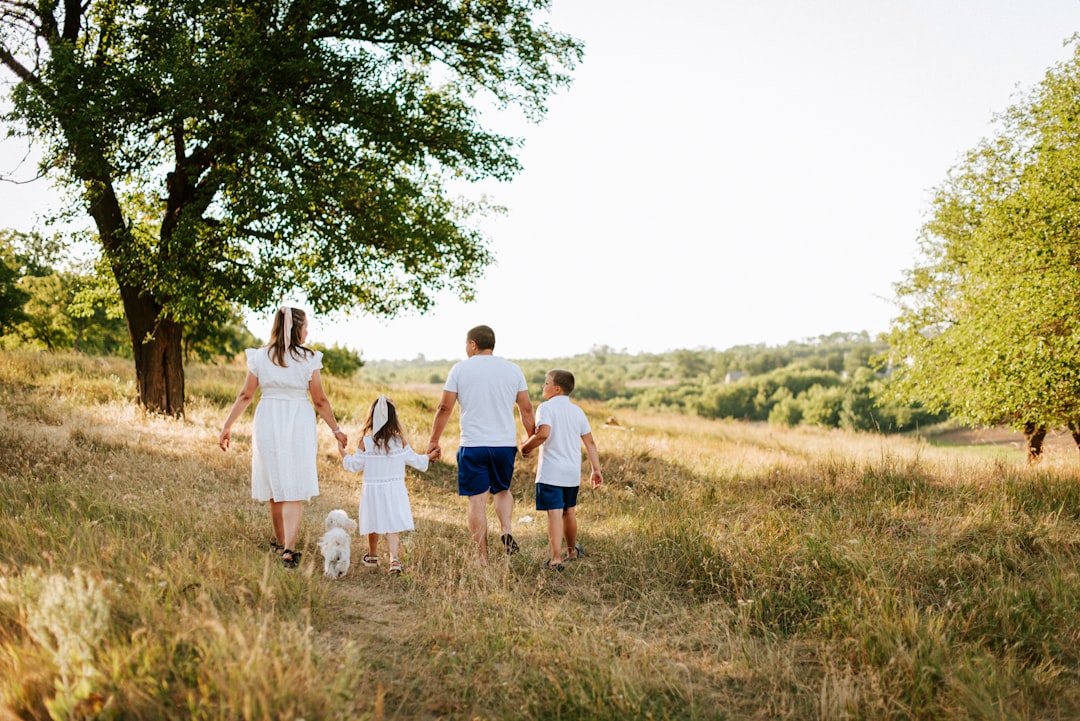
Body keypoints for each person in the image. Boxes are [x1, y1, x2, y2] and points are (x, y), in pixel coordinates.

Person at [218, 305, 348, 569]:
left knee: (276, 483)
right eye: (306, 326)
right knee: (292, 487)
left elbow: (246, 395)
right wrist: (336, 429)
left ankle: (281, 543)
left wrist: (227, 425)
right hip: (298, 421)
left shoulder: (260, 356)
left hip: (268, 419)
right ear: (296, 328)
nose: (308, 330)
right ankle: (287, 548)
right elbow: (320, 400)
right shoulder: (307, 358)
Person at [428, 325, 535, 564]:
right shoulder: (513, 370)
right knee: (503, 490)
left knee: (477, 500)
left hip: (473, 445)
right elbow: (526, 408)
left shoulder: (460, 369)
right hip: (504, 445)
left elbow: (444, 408)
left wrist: (433, 440)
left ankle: (482, 557)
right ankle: (506, 528)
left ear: (473, 344)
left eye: (466, 344)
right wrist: (530, 440)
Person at [341, 394, 435, 574]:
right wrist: (429, 457)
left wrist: (343, 453)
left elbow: (354, 466)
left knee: (374, 520)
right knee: (392, 524)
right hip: (394, 491)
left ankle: (372, 554)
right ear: (394, 419)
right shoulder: (399, 442)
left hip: (373, 491)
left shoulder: (366, 442)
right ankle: (394, 559)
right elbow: (417, 461)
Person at [520, 369, 603, 570]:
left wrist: (525, 447)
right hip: (571, 472)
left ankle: (556, 559)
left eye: (546, 383)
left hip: (551, 472)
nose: (543, 386)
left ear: (556, 389)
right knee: (569, 512)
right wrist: (596, 469)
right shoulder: (577, 411)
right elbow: (590, 442)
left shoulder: (546, 408)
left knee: (554, 514)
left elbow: (543, 433)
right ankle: (572, 551)